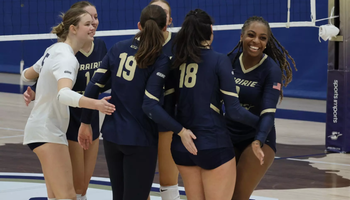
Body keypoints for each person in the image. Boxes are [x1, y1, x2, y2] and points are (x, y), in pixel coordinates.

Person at [77, 4, 192, 200]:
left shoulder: (117, 48)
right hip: (140, 139)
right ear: (165, 27)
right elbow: (150, 104)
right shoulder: (160, 58)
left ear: (139, 25)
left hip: (112, 137)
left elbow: (93, 86)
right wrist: (180, 129)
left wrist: (85, 122)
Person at [21, 7, 115, 200]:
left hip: (44, 130)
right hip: (47, 132)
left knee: (56, 197)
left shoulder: (53, 50)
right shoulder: (67, 58)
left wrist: (37, 85)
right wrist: (96, 105)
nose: (92, 27)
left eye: (93, 22)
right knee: (68, 197)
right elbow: (63, 94)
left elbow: (26, 74)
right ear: (73, 28)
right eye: (87, 24)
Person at [167, 9, 260, 200]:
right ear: (210, 30)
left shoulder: (176, 61)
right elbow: (234, 110)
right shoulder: (219, 60)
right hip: (212, 144)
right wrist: (262, 123)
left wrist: (179, 130)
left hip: (182, 146)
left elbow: (167, 108)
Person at [226, 16, 296, 200]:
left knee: (238, 196)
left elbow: (268, 112)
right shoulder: (229, 61)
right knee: (220, 193)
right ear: (241, 36)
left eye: (262, 38)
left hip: (258, 137)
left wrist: (258, 141)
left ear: (267, 42)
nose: (256, 41)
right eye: (251, 35)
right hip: (228, 134)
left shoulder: (271, 70)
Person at [149, 1, 180, 199]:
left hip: (168, 115)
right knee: (140, 177)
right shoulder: (137, 44)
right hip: (141, 117)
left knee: (168, 180)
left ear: (170, 19)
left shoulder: (179, 43)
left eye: (164, 13)